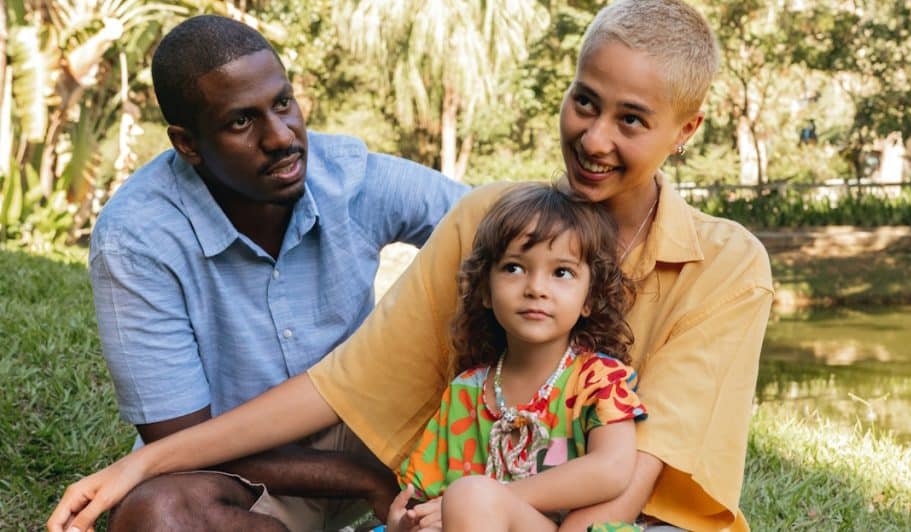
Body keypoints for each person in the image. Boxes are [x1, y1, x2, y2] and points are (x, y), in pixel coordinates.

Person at [49, 1, 773, 530]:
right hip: (471, 512)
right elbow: (340, 384)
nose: (594, 137)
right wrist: (143, 463)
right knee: (158, 514)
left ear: (687, 128)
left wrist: (479, 508)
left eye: (632, 120)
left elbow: (633, 473)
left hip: (625, 520)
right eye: (585, 102)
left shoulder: (728, 265)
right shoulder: (491, 220)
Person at [81, 14, 467, 531]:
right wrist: (365, 480)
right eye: (242, 122)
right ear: (187, 144)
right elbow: (178, 443)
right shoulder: (137, 239)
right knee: (156, 516)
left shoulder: (347, 177)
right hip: (240, 470)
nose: (282, 137)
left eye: (282, 103)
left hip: (379, 433)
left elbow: (503, 226)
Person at [385, 184, 647, 532]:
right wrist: (407, 522)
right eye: (514, 268)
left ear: (589, 298)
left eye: (562, 272)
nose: (536, 287)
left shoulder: (599, 379)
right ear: (485, 290)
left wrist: (491, 496)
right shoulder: (466, 391)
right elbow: (418, 500)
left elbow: (611, 469)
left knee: (470, 496)